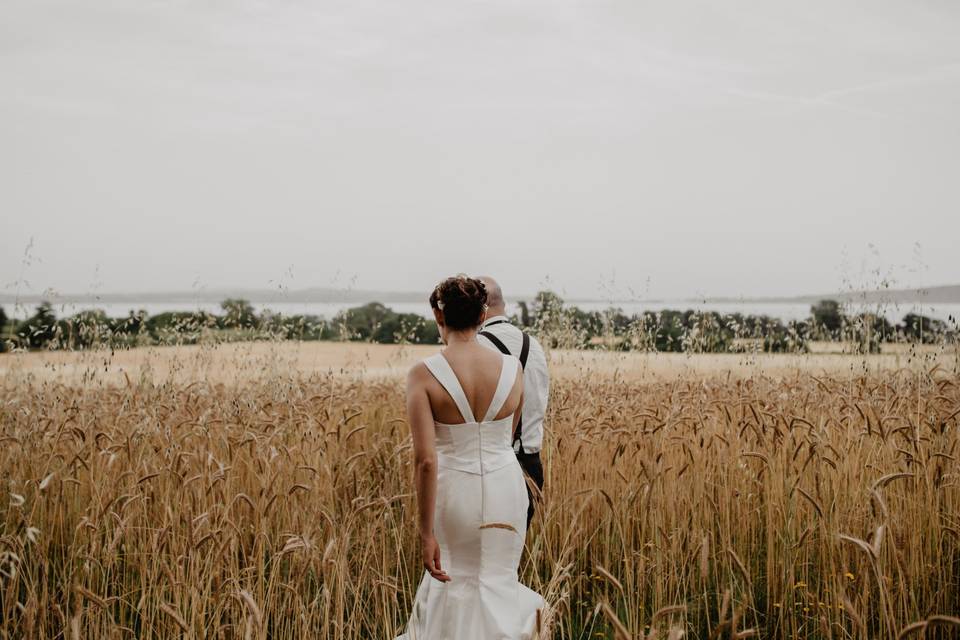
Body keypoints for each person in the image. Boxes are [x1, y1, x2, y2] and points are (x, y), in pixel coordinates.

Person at [396, 275, 545, 640]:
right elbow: (507, 436)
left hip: (455, 493)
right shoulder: (514, 369)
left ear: (438, 315)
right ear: (483, 315)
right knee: (498, 581)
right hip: (507, 489)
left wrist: (425, 531)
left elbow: (426, 461)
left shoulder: (423, 374)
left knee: (454, 584)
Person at [476, 276, 548, 527]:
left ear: (479, 307)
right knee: (511, 554)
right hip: (531, 464)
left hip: (492, 465)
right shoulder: (535, 346)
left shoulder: (477, 347)